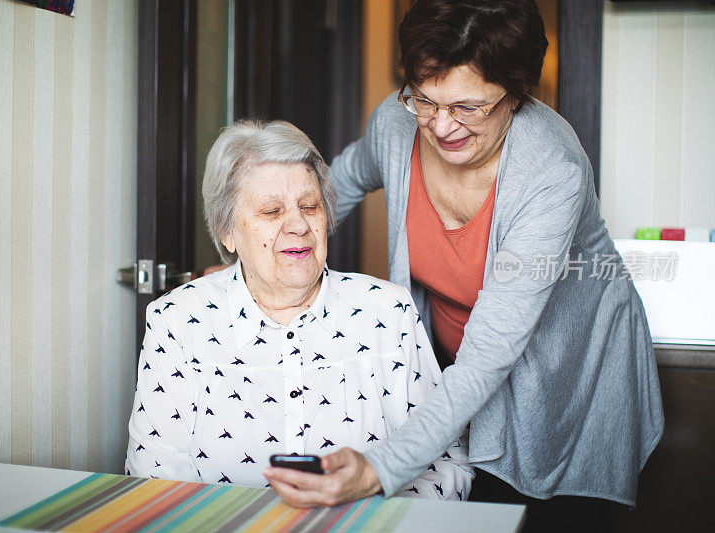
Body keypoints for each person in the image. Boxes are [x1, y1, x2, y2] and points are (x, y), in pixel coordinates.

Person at [262, 0, 664, 529]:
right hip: (462, 365)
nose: (442, 126)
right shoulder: (396, 122)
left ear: (517, 95)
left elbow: (491, 350)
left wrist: (379, 468)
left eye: (467, 108)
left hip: (572, 376)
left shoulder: (551, 173)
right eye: (425, 101)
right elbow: (343, 181)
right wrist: (267, 255)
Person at [125, 119, 473, 500]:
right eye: (272, 211)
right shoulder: (176, 321)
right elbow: (154, 479)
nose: (298, 225)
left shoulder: (388, 313)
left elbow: (444, 465)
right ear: (227, 231)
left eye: (310, 206)